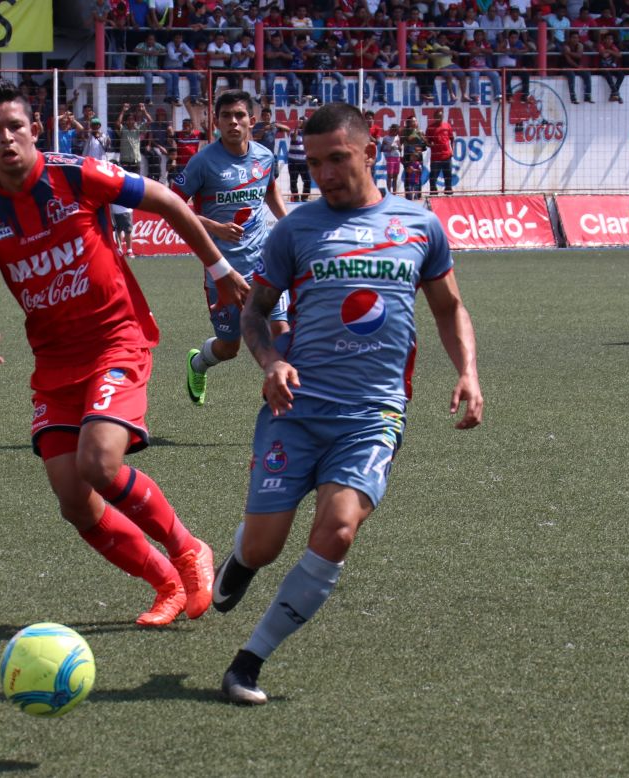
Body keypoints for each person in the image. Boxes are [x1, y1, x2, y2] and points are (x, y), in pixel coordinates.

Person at [212, 102, 484, 705]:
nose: (325, 174)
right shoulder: (295, 230)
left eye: (337, 158)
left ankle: (248, 663)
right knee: (264, 545)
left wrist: (468, 372)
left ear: (370, 148)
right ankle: (241, 560)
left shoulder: (420, 225)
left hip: (372, 416)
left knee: (337, 530)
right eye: (313, 163)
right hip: (297, 410)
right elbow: (255, 311)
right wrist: (270, 361)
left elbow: (448, 308)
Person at [0, 80, 249, 627]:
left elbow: (165, 200)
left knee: (99, 462)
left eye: (15, 126)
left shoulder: (74, 174)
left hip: (117, 337)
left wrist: (219, 267)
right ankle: (165, 582)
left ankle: (189, 549)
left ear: (35, 130)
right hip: (55, 362)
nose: (6, 138)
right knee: (73, 499)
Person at [172, 90, 289, 407]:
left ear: (252, 120)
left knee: (282, 330)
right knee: (230, 347)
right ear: (216, 121)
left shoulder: (264, 156)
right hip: (222, 270)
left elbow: (269, 191)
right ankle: (198, 363)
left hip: (265, 265)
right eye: (226, 116)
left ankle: (274, 391)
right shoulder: (203, 163)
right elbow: (171, 207)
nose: (233, 122)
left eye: (239, 116)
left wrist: (287, 222)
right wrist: (215, 227)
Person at [425, 108, 455, 195]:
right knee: (433, 176)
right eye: (438, 116)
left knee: (448, 175)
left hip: (447, 156)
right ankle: (433, 192)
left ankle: (448, 190)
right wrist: (430, 145)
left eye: (441, 116)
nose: (440, 118)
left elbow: (452, 139)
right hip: (436, 157)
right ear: (434, 117)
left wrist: (452, 150)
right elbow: (427, 141)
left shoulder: (447, 126)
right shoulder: (430, 128)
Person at [287, 117, 310, 202]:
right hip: (293, 161)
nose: (303, 123)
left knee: (307, 180)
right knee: (293, 180)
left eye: (304, 121)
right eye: (301, 121)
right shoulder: (294, 131)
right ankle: (296, 198)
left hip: (304, 161)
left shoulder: (308, 134)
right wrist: (297, 126)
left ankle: (305, 197)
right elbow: (294, 138)